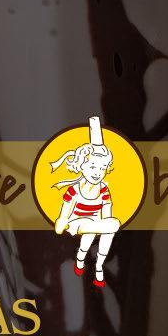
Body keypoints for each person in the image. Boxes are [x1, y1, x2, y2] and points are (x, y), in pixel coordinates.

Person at [52, 116, 120, 288]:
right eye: (93, 167)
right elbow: (66, 209)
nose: (97, 172)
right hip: (78, 221)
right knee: (91, 234)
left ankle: (97, 264)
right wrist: (61, 221)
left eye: (102, 168)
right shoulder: (75, 189)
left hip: (96, 222)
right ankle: (83, 259)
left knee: (110, 227)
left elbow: (107, 212)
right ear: (81, 166)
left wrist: (106, 223)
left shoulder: (103, 189)